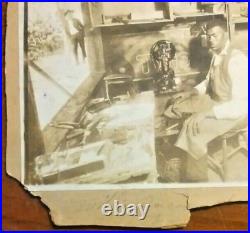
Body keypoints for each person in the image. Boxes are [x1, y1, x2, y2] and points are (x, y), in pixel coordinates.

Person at [164, 19, 248, 182]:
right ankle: (181, 157)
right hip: (217, 102)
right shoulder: (216, 55)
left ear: (225, 35)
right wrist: (191, 92)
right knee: (176, 106)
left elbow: (241, 105)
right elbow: (209, 81)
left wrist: (205, 114)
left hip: (235, 112)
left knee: (194, 127)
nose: (210, 40)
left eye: (214, 36)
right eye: (208, 36)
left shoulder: (236, 60)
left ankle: (196, 179)